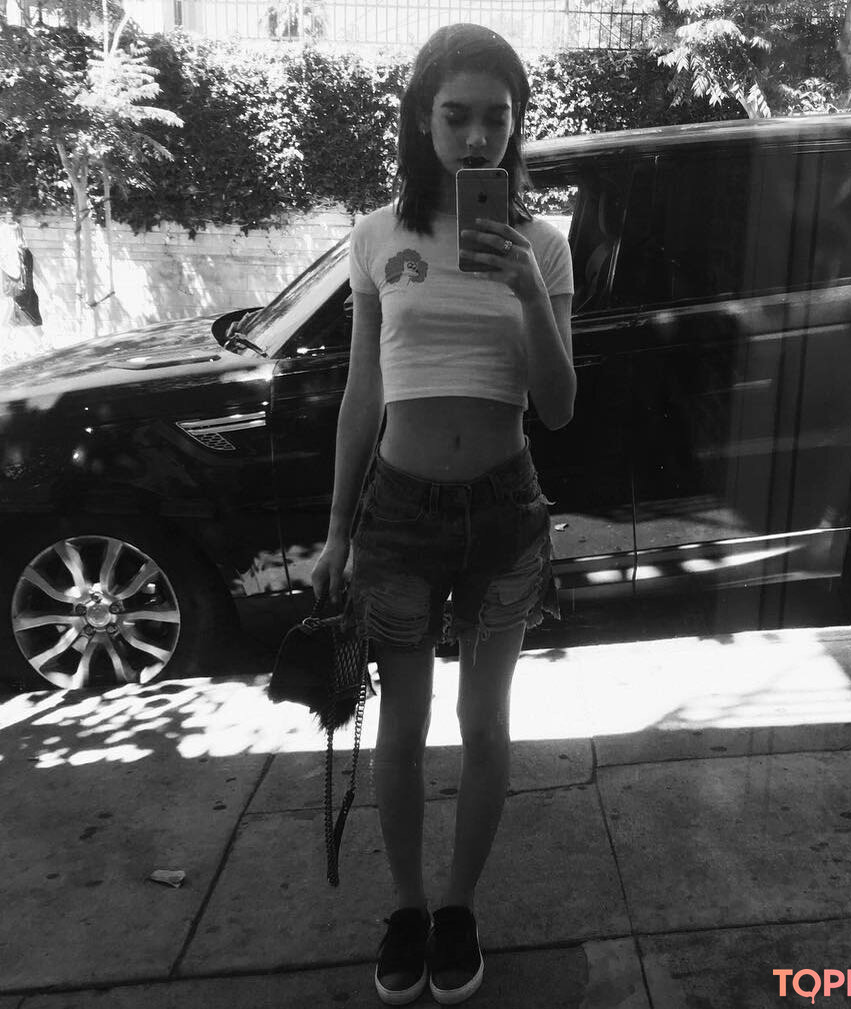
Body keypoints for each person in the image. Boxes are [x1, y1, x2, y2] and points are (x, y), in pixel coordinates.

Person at [311, 22, 575, 1006]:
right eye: (456, 116)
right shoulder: (377, 237)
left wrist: (528, 291)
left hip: (505, 507)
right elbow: (361, 395)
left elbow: (559, 406)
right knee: (404, 722)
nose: (476, 138)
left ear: (516, 125)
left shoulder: (543, 243)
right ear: (422, 120)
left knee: (485, 719)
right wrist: (337, 530)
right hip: (400, 514)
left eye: (496, 119)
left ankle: (459, 905)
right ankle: (409, 907)